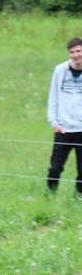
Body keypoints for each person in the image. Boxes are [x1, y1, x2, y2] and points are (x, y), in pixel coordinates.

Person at [46, 37, 82, 196]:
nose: (76, 55)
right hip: (63, 129)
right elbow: (53, 97)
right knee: (55, 167)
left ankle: (79, 198)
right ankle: (49, 196)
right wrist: (54, 122)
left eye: (79, 51)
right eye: (72, 52)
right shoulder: (60, 70)